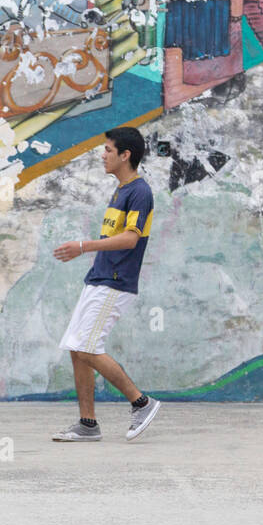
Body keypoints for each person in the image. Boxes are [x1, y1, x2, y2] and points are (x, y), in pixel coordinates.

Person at [51, 126, 161, 442]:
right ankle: (88, 424)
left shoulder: (140, 191)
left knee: (87, 346)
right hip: (98, 279)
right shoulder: (120, 190)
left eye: (109, 150)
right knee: (77, 348)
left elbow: (130, 239)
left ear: (126, 155)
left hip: (115, 283)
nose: (103, 155)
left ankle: (142, 403)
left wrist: (82, 247)